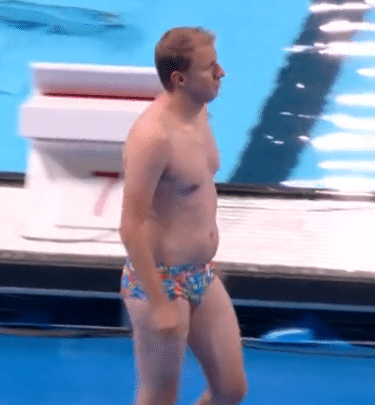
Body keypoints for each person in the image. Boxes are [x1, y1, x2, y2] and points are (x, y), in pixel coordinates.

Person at [118, 27, 248, 405]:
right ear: (179, 79)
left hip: (201, 275)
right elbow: (131, 224)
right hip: (160, 281)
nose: (221, 72)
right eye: (210, 68)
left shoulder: (200, 112)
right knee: (159, 397)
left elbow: (194, 197)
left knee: (230, 390)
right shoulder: (153, 137)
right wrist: (158, 302)